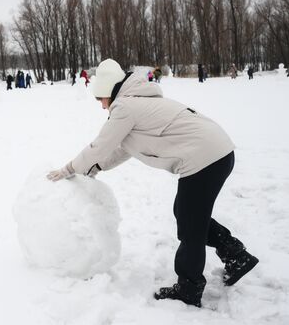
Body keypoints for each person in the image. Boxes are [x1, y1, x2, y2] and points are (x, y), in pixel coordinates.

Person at [47, 58, 258, 308]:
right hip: (217, 153)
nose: (102, 106)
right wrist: (95, 168)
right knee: (186, 214)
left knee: (190, 225)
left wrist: (70, 169)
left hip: (205, 158)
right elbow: (122, 149)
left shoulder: (125, 107)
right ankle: (235, 254)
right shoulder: (137, 103)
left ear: (109, 92)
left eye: (100, 99)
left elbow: (100, 145)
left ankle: (189, 288)